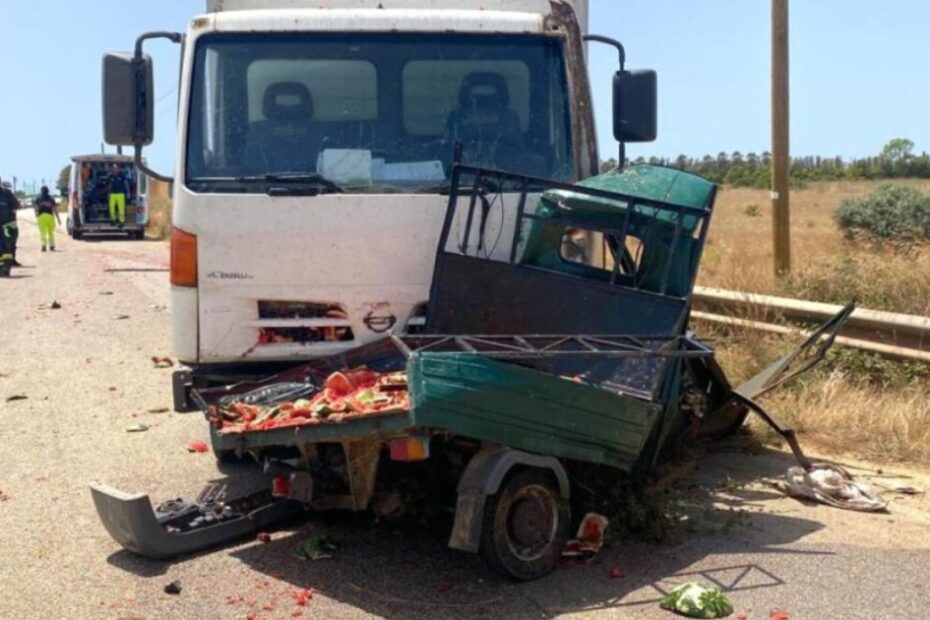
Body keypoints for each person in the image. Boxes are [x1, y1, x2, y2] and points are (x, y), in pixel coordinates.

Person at [0, 176, 20, 277]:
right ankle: (5, 268)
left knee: (5, 247)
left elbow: (16, 205)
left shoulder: (7, 193)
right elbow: (16, 205)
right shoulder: (7, 193)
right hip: (8, 225)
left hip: (6, 225)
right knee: (8, 247)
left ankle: (4, 268)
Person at [35, 185, 60, 252]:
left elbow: (36, 208)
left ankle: (43, 245)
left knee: (42, 232)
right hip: (50, 216)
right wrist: (58, 219)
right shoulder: (51, 198)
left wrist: (36, 215)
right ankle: (51, 245)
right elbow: (55, 209)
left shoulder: (38, 198)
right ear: (48, 191)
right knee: (50, 232)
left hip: (41, 216)